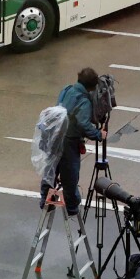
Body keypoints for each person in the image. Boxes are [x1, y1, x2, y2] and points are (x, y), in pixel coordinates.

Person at [39, 68, 106, 216]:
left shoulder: (67, 89)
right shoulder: (84, 101)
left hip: (54, 136)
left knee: (51, 170)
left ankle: (45, 200)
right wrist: (99, 134)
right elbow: (84, 124)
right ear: (93, 87)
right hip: (69, 142)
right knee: (70, 175)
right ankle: (72, 207)